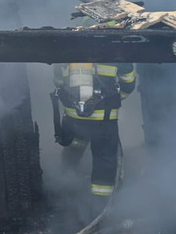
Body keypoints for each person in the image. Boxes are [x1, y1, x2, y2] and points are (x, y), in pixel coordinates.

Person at [51, 60, 137, 209]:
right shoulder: (115, 51)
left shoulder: (67, 49)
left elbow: (58, 81)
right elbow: (128, 82)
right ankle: (100, 204)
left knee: (73, 149)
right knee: (104, 159)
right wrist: (113, 99)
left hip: (73, 118)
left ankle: (64, 190)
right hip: (104, 119)